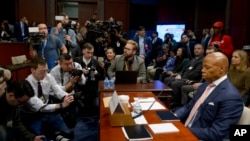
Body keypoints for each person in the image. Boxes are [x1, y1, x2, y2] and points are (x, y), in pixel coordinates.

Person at [174, 52, 244, 141]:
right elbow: (188, 107)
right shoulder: (205, 85)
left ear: (221, 69)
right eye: (203, 67)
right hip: (185, 130)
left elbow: (216, 133)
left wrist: (183, 130)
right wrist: (173, 116)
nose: (202, 70)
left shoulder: (231, 97)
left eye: (207, 67)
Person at [21, 58, 74, 140]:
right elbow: (39, 107)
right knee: (41, 138)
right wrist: (61, 105)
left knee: (68, 133)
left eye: (46, 70)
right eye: (42, 71)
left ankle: (56, 135)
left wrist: (65, 96)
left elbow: (58, 90)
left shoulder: (48, 77)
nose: (45, 74)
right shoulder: (27, 83)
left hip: (49, 112)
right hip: (34, 115)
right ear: (32, 70)